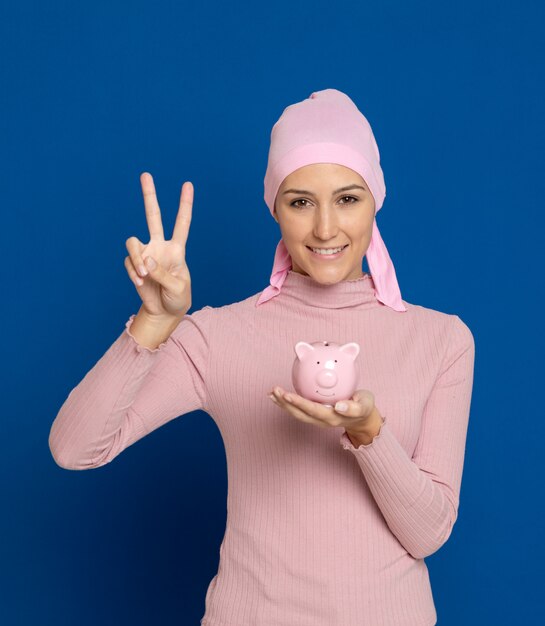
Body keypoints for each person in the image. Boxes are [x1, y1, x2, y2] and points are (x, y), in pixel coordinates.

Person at [48, 88, 475, 626]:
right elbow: (75, 448)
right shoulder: (219, 336)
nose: (325, 228)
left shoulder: (441, 341)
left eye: (347, 198)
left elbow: (428, 533)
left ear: (376, 201)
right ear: (274, 207)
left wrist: (369, 434)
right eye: (300, 202)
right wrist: (154, 323)